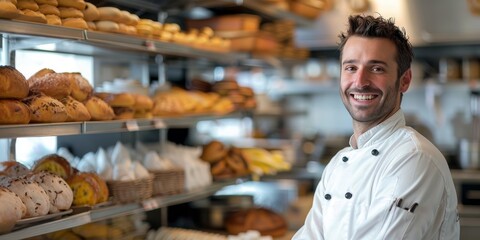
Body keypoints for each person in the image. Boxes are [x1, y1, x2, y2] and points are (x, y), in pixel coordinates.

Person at [292, 15, 460, 239]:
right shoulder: (335, 167)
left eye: (377, 68)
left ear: (404, 80)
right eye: (351, 67)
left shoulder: (414, 158)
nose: (360, 81)